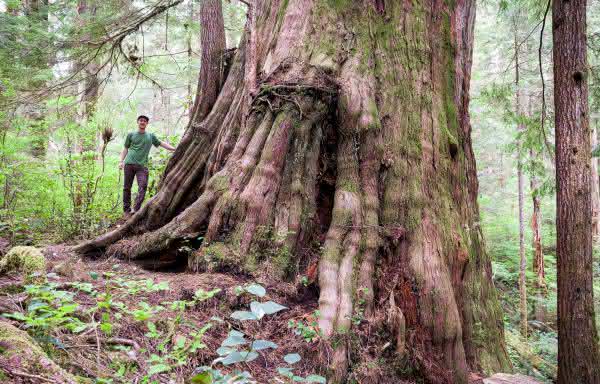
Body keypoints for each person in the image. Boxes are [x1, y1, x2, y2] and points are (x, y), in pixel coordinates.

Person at [119, 115, 175, 218]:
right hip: (129, 164)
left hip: (142, 166)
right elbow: (125, 149)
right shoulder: (131, 135)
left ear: (147, 123)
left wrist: (174, 149)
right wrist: (121, 161)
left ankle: (136, 209)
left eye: (144, 121)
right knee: (127, 188)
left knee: (143, 186)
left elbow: (161, 143)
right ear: (138, 122)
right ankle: (126, 210)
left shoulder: (150, 136)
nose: (142, 122)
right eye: (141, 120)